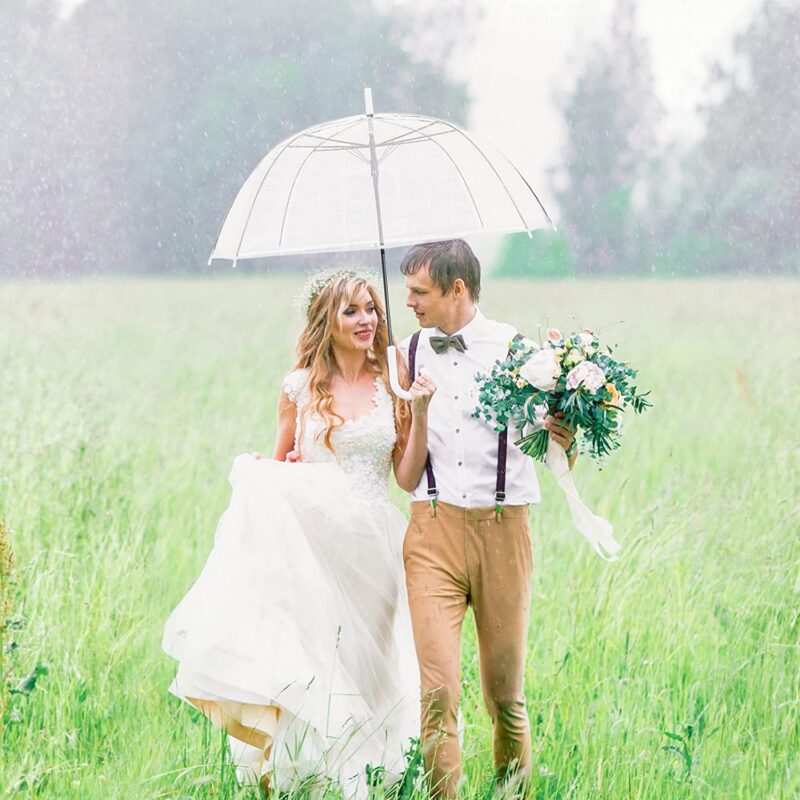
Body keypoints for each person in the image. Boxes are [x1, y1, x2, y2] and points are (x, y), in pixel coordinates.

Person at [162, 269, 436, 798]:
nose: (366, 320)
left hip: (374, 545)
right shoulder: (297, 387)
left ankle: (372, 774)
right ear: (326, 321)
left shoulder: (392, 381)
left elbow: (405, 478)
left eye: (372, 309)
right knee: (318, 659)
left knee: (370, 664)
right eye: (351, 311)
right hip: (314, 549)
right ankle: (317, 774)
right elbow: (283, 458)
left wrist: (417, 413)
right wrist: (269, 469)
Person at [398, 240, 577, 799]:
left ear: (458, 289)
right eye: (405, 289)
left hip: (504, 530)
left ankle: (513, 793)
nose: (408, 302)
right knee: (436, 694)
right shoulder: (401, 354)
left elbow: (555, 455)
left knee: (505, 695)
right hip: (430, 533)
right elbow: (403, 470)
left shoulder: (518, 352)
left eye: (419, 291)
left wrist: (566, 439)